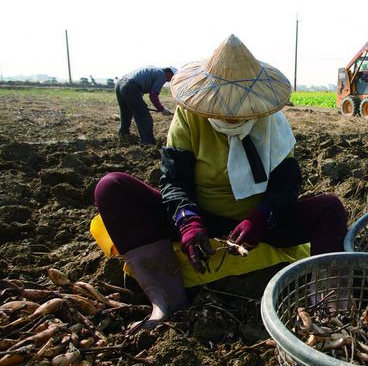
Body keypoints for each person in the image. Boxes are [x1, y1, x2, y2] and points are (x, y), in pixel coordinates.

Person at [93, 35, 348, 329]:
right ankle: (167, 301)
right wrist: (188, 222)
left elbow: (286, 185)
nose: (230, 116)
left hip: (258, 225)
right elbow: (174, 180)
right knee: (112, 187)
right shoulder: (189, 116)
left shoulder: (271, 120)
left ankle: (329, 306)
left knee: (329, 207)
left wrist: (262, 219)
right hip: (202, 219)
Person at [115, 66, 177, 145]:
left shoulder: (154, 70)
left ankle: (123, 135)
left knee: (125, 113)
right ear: (169, 73)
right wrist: (162, 109)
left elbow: (141, 83)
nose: (170, 80)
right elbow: (153, 95)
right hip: (130, 86)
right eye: (172, 77)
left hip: (120, 83)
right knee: (144, 117)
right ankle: (148, 143)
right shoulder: (162, 75)